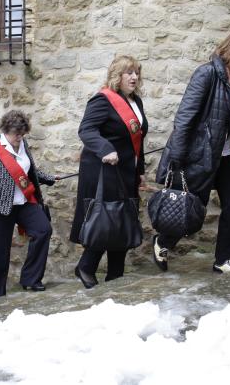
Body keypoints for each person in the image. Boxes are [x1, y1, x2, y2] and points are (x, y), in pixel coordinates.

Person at [154, 31, 230, 273]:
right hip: (203, 153)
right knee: (192, 206)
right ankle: (163, 241)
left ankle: (224, 259)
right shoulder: (208, 73)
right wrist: (178, 155)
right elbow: (185, 116)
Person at [71, 56, 148, 288]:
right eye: (128, 73)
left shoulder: (137, 102)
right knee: (107, 219)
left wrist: (140, 169)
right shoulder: (102, 100)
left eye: (136, 72)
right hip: (103, 170)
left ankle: (116, 274)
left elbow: (139, 140)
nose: (134, 77)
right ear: (117, 76)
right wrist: (105, 149)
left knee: (122, 221)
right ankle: (85, 267)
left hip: (127, 171)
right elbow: (86, 130)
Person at [0, 110, 57, 299]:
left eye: (22, 134)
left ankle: (31, 279)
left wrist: (50, 178)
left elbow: (30, 171)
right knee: (0, 253)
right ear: (6, 131)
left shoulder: (23, 144)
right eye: (16, 134)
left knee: (43, 230)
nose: (19, 138)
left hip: (24, 203)